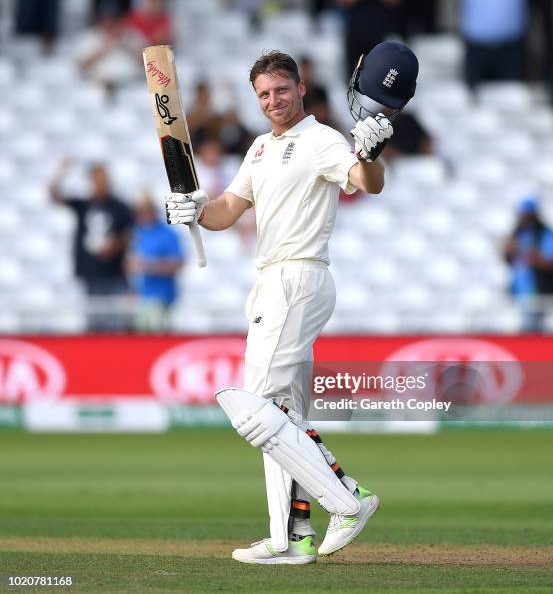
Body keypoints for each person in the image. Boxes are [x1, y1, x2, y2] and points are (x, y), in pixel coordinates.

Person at [166, 44, 418, 564]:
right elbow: (225, 213)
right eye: (263, 94)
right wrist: (191, 208)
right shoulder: (258, 148)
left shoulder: (321, 139)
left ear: (301, 88)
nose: (273, 100)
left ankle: (347, 501)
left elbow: (366, 184)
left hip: (298, 278)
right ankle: (292, 537)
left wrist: (372, 154)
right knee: (283, 419)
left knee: (254, 412)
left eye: (282, 89)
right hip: (270, 282)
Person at [49, 159, 133, 331]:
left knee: (115, 323)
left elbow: (129, 236)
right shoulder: (83, 205)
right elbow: (54, 196)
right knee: (94, 324)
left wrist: (115, 246)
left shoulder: (120, 207)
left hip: (113, 273)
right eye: (96, 179)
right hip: (90, 272)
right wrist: (61, 173)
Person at [127, 194, 184, 332]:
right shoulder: (139, 233)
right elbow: (130, 262)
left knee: (156, 333)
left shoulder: (167, 234)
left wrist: (151, 266)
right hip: (141, 296)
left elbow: (177, 263)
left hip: (161, 296)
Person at [504, 198, 553, 332]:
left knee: (533, 329)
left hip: (539, 291)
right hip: (520, 291)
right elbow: (508, 258)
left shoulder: (545, 234)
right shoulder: (518, 234)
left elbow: (549, 262)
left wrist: (534, 258)